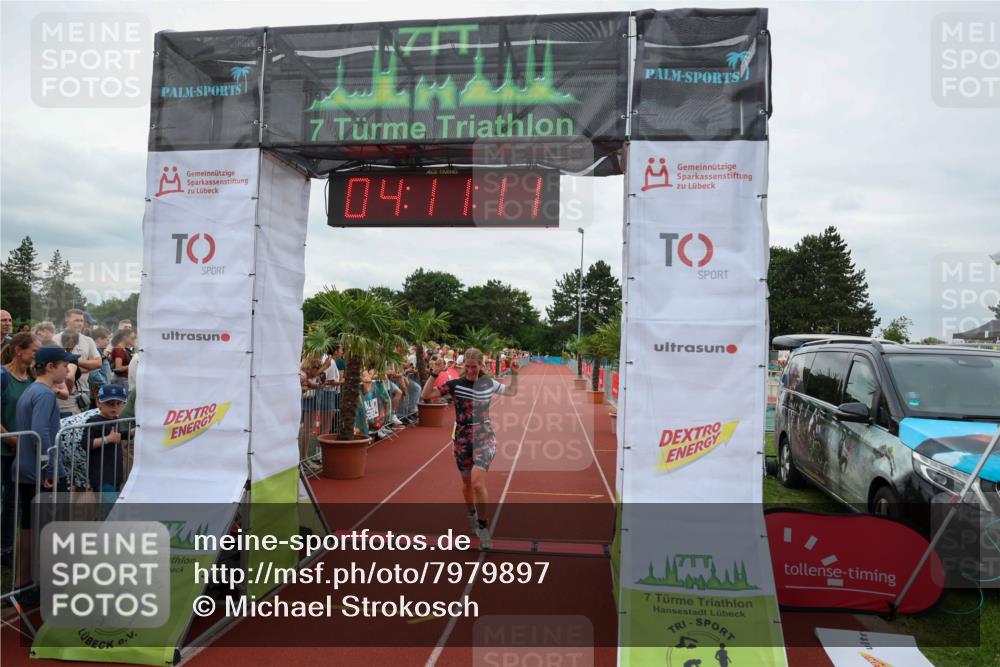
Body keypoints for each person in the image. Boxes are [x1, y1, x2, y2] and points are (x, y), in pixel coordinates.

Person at [421, 347, 519, 549]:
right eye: (467, 367)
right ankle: (471, 514)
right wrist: (434, 373)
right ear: (463, 366)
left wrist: (515, 373)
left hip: (484, 436)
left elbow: (511, 391)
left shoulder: (488, 384)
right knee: (466, 485)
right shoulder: (455, 385)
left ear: (481, 366)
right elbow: (426, 395)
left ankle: (483, 527)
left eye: (474, 367)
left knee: (476, 483)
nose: (471, 370)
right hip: (462, 439)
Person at [14, 343, 76, 584]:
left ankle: (24, 580)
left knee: (29, 526)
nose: (67, 371)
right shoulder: (45, 394)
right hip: (42, 473)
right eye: (64, 366)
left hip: (28, 469)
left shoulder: (31, 390)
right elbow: (40, 431)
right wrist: (50, 468)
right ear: (51, 367)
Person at [0, 333, 40, 566]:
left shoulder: (34, 378)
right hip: (6, 448)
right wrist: (12, 440)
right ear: (19, 351)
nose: (37, 354)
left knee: (13, 502)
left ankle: (6, 548)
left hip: (21, 452)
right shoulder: (3, 376)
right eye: (34, 350)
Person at [83, 384, 129, 517]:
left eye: (118, 403)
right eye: (109, 403)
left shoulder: (116, 419)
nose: (114, 407)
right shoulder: (94, 421)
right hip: (102, 475)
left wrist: (134, 431)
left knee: (113, 508)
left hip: (116, 474)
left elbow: (120, 435)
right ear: (98, 403)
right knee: (110, 511)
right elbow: (85, 443)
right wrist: (107, 439)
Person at [53, 309, 101, 400]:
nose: (80, 324)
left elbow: (98, 363)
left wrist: (74, 362)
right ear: (66, 321)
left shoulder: (88, 340)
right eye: (76, 320)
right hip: (61, 391)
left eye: (82, 321)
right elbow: (54, 367)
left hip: (83, 390)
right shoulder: (55, 340)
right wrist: (86, 367)